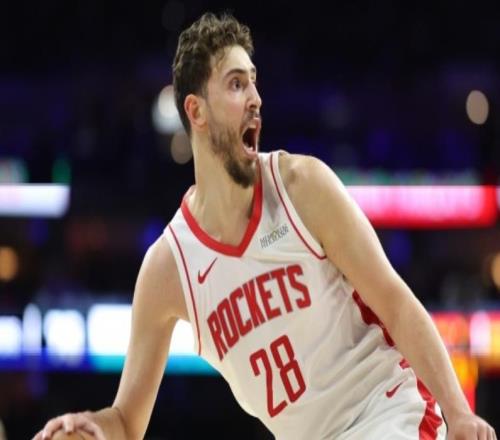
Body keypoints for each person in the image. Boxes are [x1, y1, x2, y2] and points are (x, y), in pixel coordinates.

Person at [34, 12, 497, 440]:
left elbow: (395, 303)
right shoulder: (168, 268)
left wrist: (458, 411)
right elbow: (126, 421)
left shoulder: (301, 186)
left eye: (254, 82)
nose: (256, 98)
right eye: (236, 84)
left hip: (387, 413)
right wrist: (89, 428)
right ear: (196, 111)